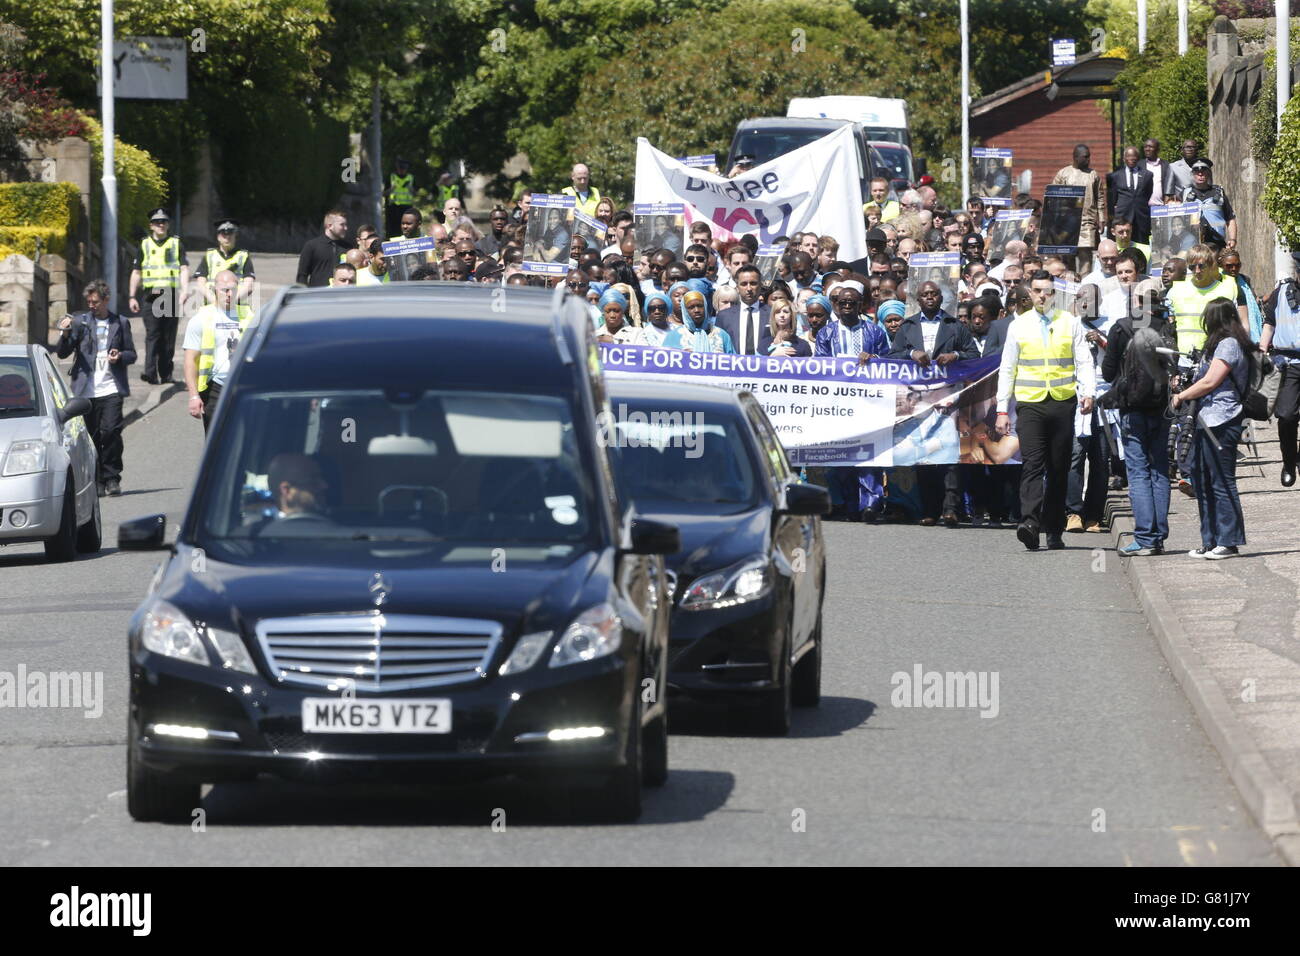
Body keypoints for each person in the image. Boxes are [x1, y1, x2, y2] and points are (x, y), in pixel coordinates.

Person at [995, 270, 1097, 550]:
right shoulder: (1019, 325)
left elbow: (1084, 361)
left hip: (1063, 403)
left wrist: (1088, 392)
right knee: (1032, 463)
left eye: (1048, 291)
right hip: (1030, 404)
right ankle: (1029, 522)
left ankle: (1054, 528)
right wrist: (1002, 409)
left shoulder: (1070, 322)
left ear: (1054, 294)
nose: (1042, 296)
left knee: (1058, 467)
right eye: (1037, 290)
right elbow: (1007, 368)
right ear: (1030, 293)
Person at [889, 282, 979, 525]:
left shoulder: (954, 325)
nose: (929, 298)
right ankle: (929, 510)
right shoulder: (908, 326)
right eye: (925, 295)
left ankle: (950, 509)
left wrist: (956, 356)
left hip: (947, 399)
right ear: (918, 300)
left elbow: (974, 356)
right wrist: (911, 354)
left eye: (934, 294)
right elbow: (892, 357)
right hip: (918, 401)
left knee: (949, 454)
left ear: (941, 298)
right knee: (924, 454)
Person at [1171, 299, 1252, 558]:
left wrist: (1181, 396)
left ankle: (1228, 541)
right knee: (1202, 480)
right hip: (1204, 419)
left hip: (1223, 419)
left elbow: (1210, 381)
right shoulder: (1215, 344)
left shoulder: (1229, 343)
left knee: (1221, 481)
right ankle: (1210, 539)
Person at [1102, 272, 1175, 556]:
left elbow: (1108, 372)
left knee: (1138, 472)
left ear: (1136, 299)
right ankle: (1158, 536)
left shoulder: (1121, 328)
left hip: (1131, 408)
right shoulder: (1167, 326)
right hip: (1162, 407)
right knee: (1159, 470)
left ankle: (1144, 537)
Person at [815, 280, 888, 521]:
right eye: (842, 302)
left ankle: (871, 503)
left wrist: (874, 358)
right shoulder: (826, 333)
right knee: (842, 455)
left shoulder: (875, 331)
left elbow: (889, 364)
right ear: (835, 305)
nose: (846, 306)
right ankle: (849, 504)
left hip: (868, 402)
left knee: (868, 453)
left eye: (851, 303)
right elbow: (820, 366)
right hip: (837, 404)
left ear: (860, 306)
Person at [56, 278, 135, 497]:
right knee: (91, 437)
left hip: (111, 388)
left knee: (111, 432)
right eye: (89, 302)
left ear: (106, 300)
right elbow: (62, 352)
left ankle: (112, 478)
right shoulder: (81, 323)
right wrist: (64, 333)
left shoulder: (120, 323)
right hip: (85, 391)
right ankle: (97, 479)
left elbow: (132, 354)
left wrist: (119, 356)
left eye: (95, 302)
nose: (91, 305)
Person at [182, 270, 256, 435]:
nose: (229, 294)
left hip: (243, 387)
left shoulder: (250, 317)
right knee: (216, 443)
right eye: (224, 290)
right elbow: (190, 361)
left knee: (246, 442)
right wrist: (194, 396)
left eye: (233, 289)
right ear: (215, 289)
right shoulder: (200, 319)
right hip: (214, 388)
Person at [128, 207, 188, 385]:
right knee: (152, 334)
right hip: (151, 295)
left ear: (168, 225)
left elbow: (184, 268)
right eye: (157, 222)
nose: (161, 224)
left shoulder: (176, 244)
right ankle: (150, 373)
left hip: (169, 295)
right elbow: (136, 272)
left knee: (168, 337)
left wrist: (184, 291)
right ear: (151, 225)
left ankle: (166, 374)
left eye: (164, 222)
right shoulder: (144, 245)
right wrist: (132, 296)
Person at [1261, 254, 1300, 487]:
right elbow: (1269, 323)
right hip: (1287, 363)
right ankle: (1288, 461)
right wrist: (1261, 349)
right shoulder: (1281, 294)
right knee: (1286, 416)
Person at [1167, 243, 1247, 355]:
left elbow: (1241, 325)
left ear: (1210, 265)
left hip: (1217, 359)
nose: (1197, 271)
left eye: (1201, 266)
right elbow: (1169, 326)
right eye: (1192, 267)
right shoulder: (1175, 291)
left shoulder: (1228, 289)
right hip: (1184, 360)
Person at [1051, 144, 1104, 275]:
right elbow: (1053, 197)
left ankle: (1085, 283)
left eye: (1089, 157)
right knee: (1068, 255)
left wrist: (1102, 218)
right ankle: (1070, 283)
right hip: (1067, 222)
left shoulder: (1093, 175)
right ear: (1075, 157)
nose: (1088, 159)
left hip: (1087, 221)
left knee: (1085, 254)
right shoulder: (1063, 174)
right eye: (1085, 157)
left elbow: (1100, 198)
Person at [194, 218, 255, 304]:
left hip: (237, 308)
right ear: (218, 237)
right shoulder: (209, 255)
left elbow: (249, 285)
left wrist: (230, 302)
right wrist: (215, 302)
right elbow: (201, 284)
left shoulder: (243, 256)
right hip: (213, 306)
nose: (227, 238)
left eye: (230, 234)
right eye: (224, 235)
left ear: (235, 236)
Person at [1181, 159, 1237, 251]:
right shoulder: (1185, 193)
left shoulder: (1219, 193)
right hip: (1192, 245)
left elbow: (1230, 218)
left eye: (1203, 172)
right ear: (1192, 174)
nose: (1200, 174)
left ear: (1208, 174)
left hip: (1216, 243)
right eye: (1197, 172)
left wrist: (1233, 239)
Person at [715, 264, 770, 355]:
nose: (749, 288)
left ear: (760, 285)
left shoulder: (772, 313)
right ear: (737, 288)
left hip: (764, 366)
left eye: (753, 283)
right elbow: (718, 346)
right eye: (744, 284)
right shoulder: (724, 316)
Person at [1106, 146, 1154, 244]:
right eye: (1129, 157)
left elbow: (1148, 193)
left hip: (1141, 217)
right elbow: (1113, 198)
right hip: (1123, 217)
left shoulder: (1147, 175)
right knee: (1122, 245)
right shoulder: (1116, 176)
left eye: (1134, 157)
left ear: (1138, 158)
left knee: (1141, 245)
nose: (1131, 160)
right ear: (1124, 159)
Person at [266, 453, 332, 524]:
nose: (324, 486)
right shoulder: (257, 531)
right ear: (286, 490)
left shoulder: (260, 531)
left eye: (321, 478)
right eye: (313, 482)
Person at [1217, 248, 1263, 342]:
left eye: (1237, 265)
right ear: (1221, 265)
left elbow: (1254, 301)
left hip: (1249, 329)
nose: (1234, 269)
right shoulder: (1218, 282)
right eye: (1229, 266)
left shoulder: (1245, 280)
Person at [297, 209, 351, 288]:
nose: (346, 228)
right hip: (318, 295)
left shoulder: (348, 248)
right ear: (330, 226)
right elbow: (302, 276)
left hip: (341, 294)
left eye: (346, 225)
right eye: (342, 225)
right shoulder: (312, 246)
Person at [1142, 138, 1178, 206]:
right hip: (1144, 209)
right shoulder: (1139, 166)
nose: (1147, 149)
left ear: (1157, 150)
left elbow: (1171, 185)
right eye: (1145, 147)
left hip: (1161, 208)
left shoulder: (1166, 166)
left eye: (1150, 147)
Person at [386, 158, 415, 239]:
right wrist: (391, 189)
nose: (402, 170)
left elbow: (415, 193)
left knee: (406, 228)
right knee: (393, 230)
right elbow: (384, 193)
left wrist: (411, 189)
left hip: (407, 208)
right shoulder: (392, 177)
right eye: (400, 168)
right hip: (393, 208)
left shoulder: (410, 178)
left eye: (404, 168)